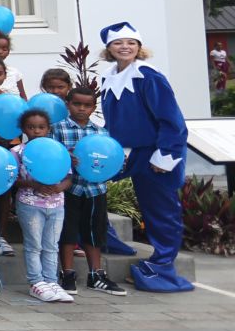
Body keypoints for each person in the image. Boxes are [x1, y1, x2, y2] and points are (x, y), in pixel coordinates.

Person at [99, 21, 193, 292]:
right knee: (88, 187)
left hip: (157, 152)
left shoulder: (149, 76)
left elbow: (171, 120)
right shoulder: (109, 75)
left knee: (161, 210)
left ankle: (163, 263)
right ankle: (106, 238)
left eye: (131, 43)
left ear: (139, 47)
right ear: (109, 48)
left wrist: (166, 155)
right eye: (118, 43)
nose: (125, 47)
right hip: (125, 151)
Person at [53, 87, 125, 295]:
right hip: (69, 189)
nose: (82, 109)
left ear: (94, 107)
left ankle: (96, 275)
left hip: (95, 189)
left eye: (87, 105)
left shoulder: (101, 133)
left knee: (95, 232)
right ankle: (67, 274)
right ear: (68, 104)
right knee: (67, 232)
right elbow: (49, 155)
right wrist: (65, 156)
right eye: (77, 104)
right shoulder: (57, 129)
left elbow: (110, 158)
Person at [12, 109, 72, 303]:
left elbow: (68, 177)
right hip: (30, 204)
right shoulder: (17, 152)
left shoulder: (57, 150)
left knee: (51, 245)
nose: (36, 131)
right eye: (31, 127)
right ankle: (36, 282)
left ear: (48, 129)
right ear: (23, 129)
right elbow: (12, 179)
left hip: (56, 205)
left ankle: (51, 281)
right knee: (34, 244)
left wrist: (58, 188)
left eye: (41, 127)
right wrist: (33, 184)